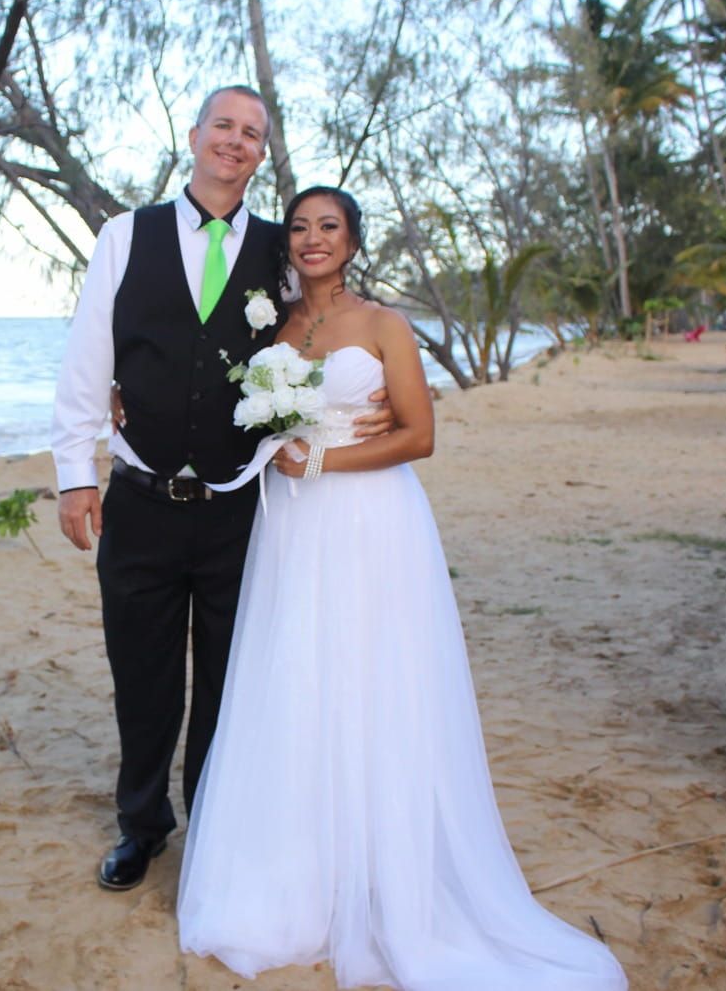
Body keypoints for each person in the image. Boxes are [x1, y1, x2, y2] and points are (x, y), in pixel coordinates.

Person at [177, 186, 629, 991]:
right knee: (300, 683)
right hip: (290, 531)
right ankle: (303, 875)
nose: (312, 239)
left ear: (351, 243)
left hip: (368, 522)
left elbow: (418, 434)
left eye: (329, 227)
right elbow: (255, 427)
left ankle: (384, 876)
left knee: (371, 680)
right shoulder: (272, 329)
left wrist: (320, 458)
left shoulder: (384, 324)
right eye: (300, 227)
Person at [51, 87, 392, 892]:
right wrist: (75, 474)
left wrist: (367, 395)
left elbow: (333, 325)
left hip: (244, 505)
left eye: (252, 133)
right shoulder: (122, 236)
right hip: (138, 498)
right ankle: (141, 826)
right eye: (224, 127)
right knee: (142, 676)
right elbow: (84, 361)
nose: (235, 143)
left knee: (230, 682)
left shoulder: (283, 247)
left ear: (261, 153)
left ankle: (212, 821)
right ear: (195, 134)